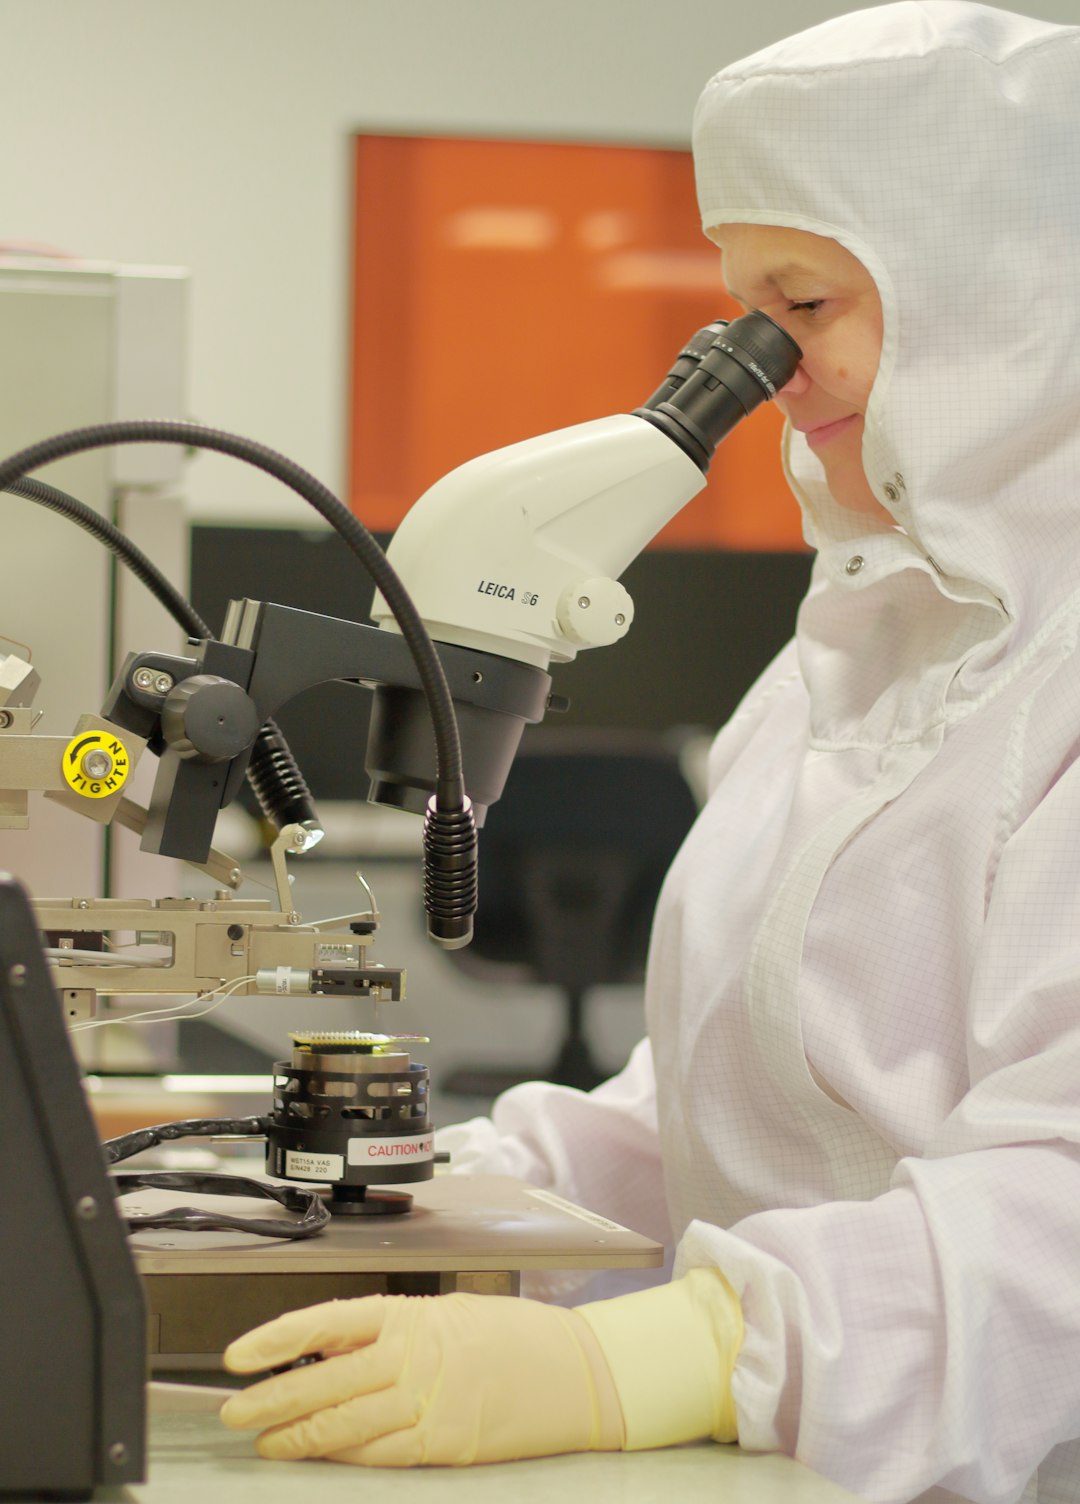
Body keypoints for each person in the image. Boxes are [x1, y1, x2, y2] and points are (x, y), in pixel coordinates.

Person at [220, 4, 1080, 1499]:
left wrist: (661, 1357)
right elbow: (717, 1104)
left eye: (804, 305)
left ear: (1008, 300)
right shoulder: (848, 652)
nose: (764, 369)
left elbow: (1055, 1220)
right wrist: (442, 1198)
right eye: (741, 308)